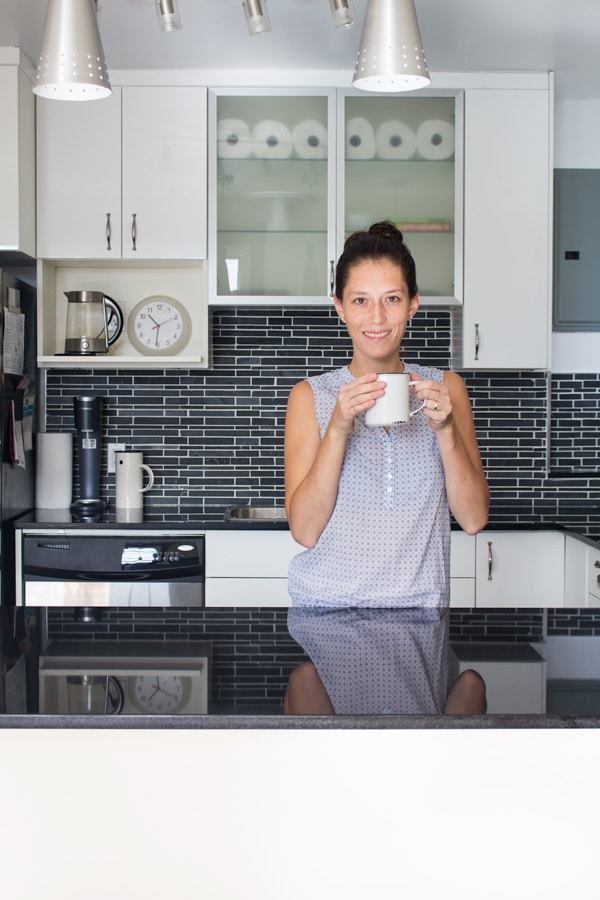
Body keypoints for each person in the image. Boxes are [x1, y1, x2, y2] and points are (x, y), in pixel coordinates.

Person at [283, 221, 490, 715]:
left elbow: (474, 518)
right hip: (326, 615)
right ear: (339, 308)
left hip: (421, 616)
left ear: (414, 304)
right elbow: (305, 529)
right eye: (359, 300)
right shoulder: (310, 397)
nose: (376, 316)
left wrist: (445, 431)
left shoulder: (447, 390)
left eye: (392, 299)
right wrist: (337, 426)